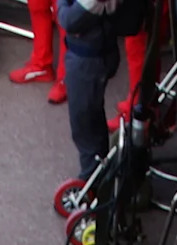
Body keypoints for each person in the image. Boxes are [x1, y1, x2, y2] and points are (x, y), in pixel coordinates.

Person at [53, 0, 155, 180]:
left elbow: (69, 20)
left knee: (84, 124)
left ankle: (94, 183)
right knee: (91, 118)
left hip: (89, 58)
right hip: (91, 54)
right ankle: (100, 172)